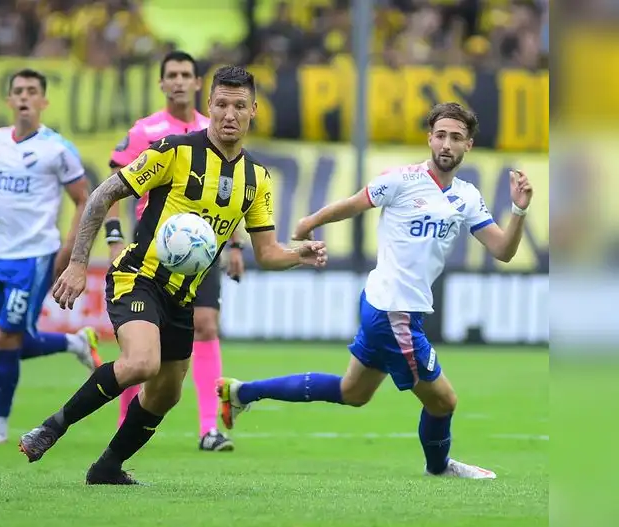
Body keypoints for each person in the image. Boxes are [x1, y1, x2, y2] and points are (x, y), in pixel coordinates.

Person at [18, 66, 328, 484]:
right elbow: (103, 194)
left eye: (239, 106)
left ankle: (107, 468)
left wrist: (299, 255)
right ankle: (51, 428)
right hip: (138, 277)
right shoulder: (173, 152)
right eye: (221, 105)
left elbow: (268, 252)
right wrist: (77, 263)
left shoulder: (256, 179)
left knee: (167, 393)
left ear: (254, 110)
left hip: (184, 296)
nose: (229, 114)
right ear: (209, 107)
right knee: (141, 363)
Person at [217, 102, 535, 480]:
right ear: (429, 138)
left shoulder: (467, 196)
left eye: (456, 137)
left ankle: (240, 393)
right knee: (444, 401)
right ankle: (439, 468)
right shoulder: (401, 180)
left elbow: (503, 250)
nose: (446, 144)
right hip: (391, 310)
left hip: (389, 307)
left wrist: (518, 212)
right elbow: (353, 204)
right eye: (440, 135)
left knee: (353, 392)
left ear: (468, 145)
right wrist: (308, 222)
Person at [0, 69, 102, 445]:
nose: (25, 97)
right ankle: (75, 342)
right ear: (9, 100)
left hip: (36, 256)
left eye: (33, 91)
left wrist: (69, 250)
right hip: (3, 256)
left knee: (7, 341)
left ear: (44, 101)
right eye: (18, 91)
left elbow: (84, 198)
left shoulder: (58, 149)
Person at [106, 51, 242, 452]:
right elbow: (114, 186)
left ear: (199, 83)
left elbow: (232, 193)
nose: (180, 81)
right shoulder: (144, 131)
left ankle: (208, 428)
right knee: (141, 345)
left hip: (206, 250)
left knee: (207, 325)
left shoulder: (215, 128)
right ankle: (124, 421)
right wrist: (114, 238)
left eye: (187, 74)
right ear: (162, 83)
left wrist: (235, 245)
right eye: (172, 75)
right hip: (156, 250)